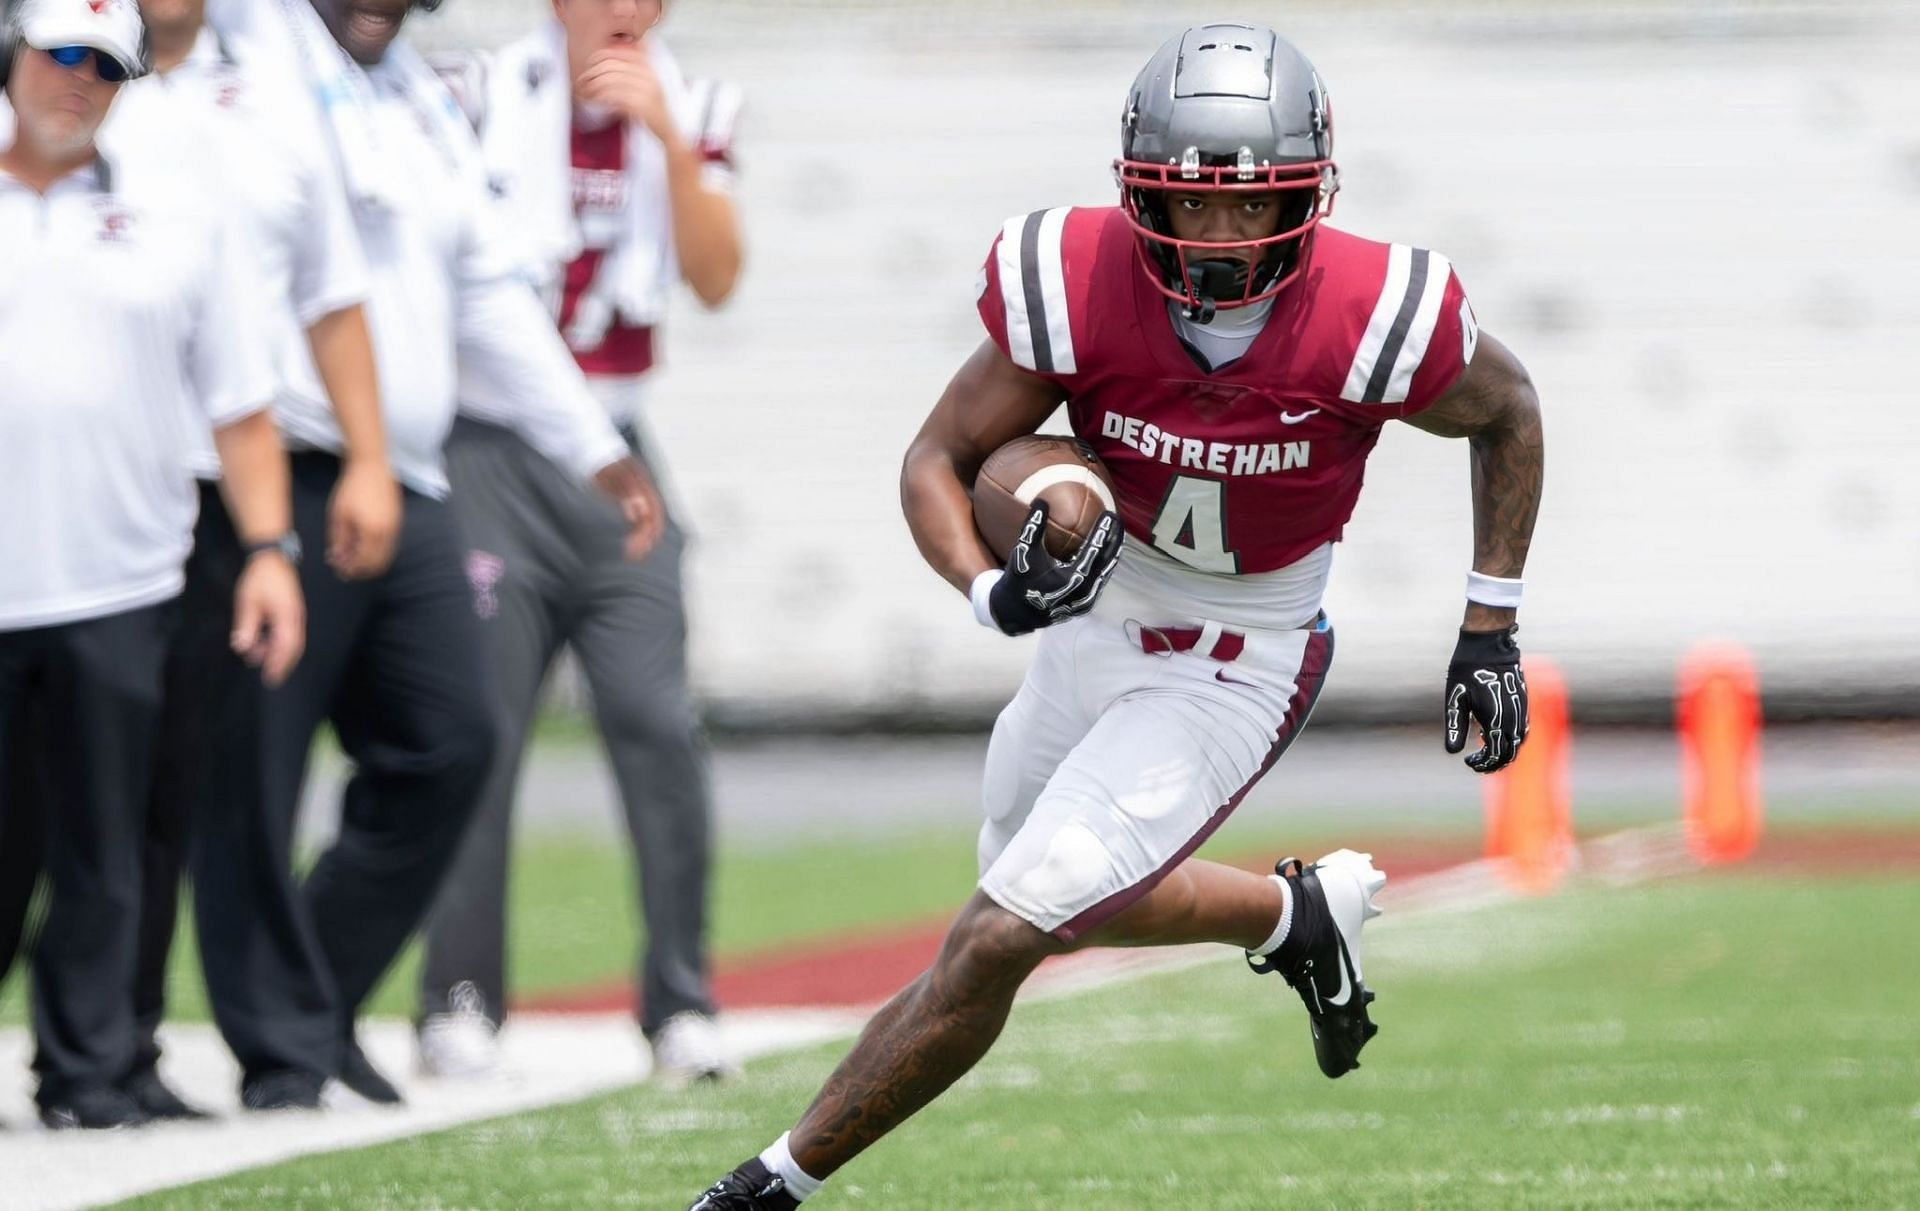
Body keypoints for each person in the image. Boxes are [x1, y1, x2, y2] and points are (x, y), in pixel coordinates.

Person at [689, 24, 1544, 1207]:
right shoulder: (1080, 282)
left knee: (1001, 932)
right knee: (1050, 887)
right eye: (1188, 206)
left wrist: (1489, 625)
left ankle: (767, 1184)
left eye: (1254, 207)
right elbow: (939, 457)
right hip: (1097, 615)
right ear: (1141, 193)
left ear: (1307, 196)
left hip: (1237, 658)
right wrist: (993, 592)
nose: (1221, 237)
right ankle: (1296, 913)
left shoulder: (1372, 308)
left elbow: (1509, 409)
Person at [201, 0, 668, 1108]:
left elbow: (488, 291)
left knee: (450, 741)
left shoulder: (416, 94)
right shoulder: (257, 55)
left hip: (408, 474)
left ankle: (312, 993)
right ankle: (281, 1041)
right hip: (284, 464)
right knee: (254, 773)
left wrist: (593, 445)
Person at [415, 0, 743, 1087]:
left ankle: (680, 999)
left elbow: (716, 276)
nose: (629, 14)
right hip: (492, 446)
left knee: (655, 717)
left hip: (622, 441)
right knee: (485, 724)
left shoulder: (695, 101)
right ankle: (458, 998)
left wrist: (672, 146)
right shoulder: (473, 93)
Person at [0, 0, 305, 1129]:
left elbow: (241, 404)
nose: (77, 80)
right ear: (15, 52)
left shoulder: (177, 212)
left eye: (106, 67)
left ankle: (87, 1075)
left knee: (107, 849)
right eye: (59, 55)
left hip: (121, 581)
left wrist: (270, 552)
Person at [94, 0, 399, 1117]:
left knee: (193, 775)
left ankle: (159, 1046)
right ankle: (95, 1044)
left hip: (227, 488)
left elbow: (330, 292)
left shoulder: (275, 91)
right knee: (60, 780)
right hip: (81, 482)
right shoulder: (57, 86)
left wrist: (369, 457)